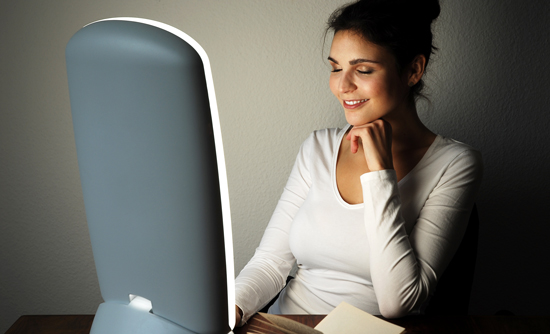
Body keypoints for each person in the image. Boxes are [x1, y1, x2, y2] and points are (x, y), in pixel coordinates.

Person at [234, 0, 483, 326]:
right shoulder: (318, 148)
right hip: (284, 325)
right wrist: (230, 310)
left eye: (363, 70)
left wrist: (381, 173)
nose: (342, 85)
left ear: (413, 70)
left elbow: (400, 303)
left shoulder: (455, 164)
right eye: (336, 67)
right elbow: (269, 263)